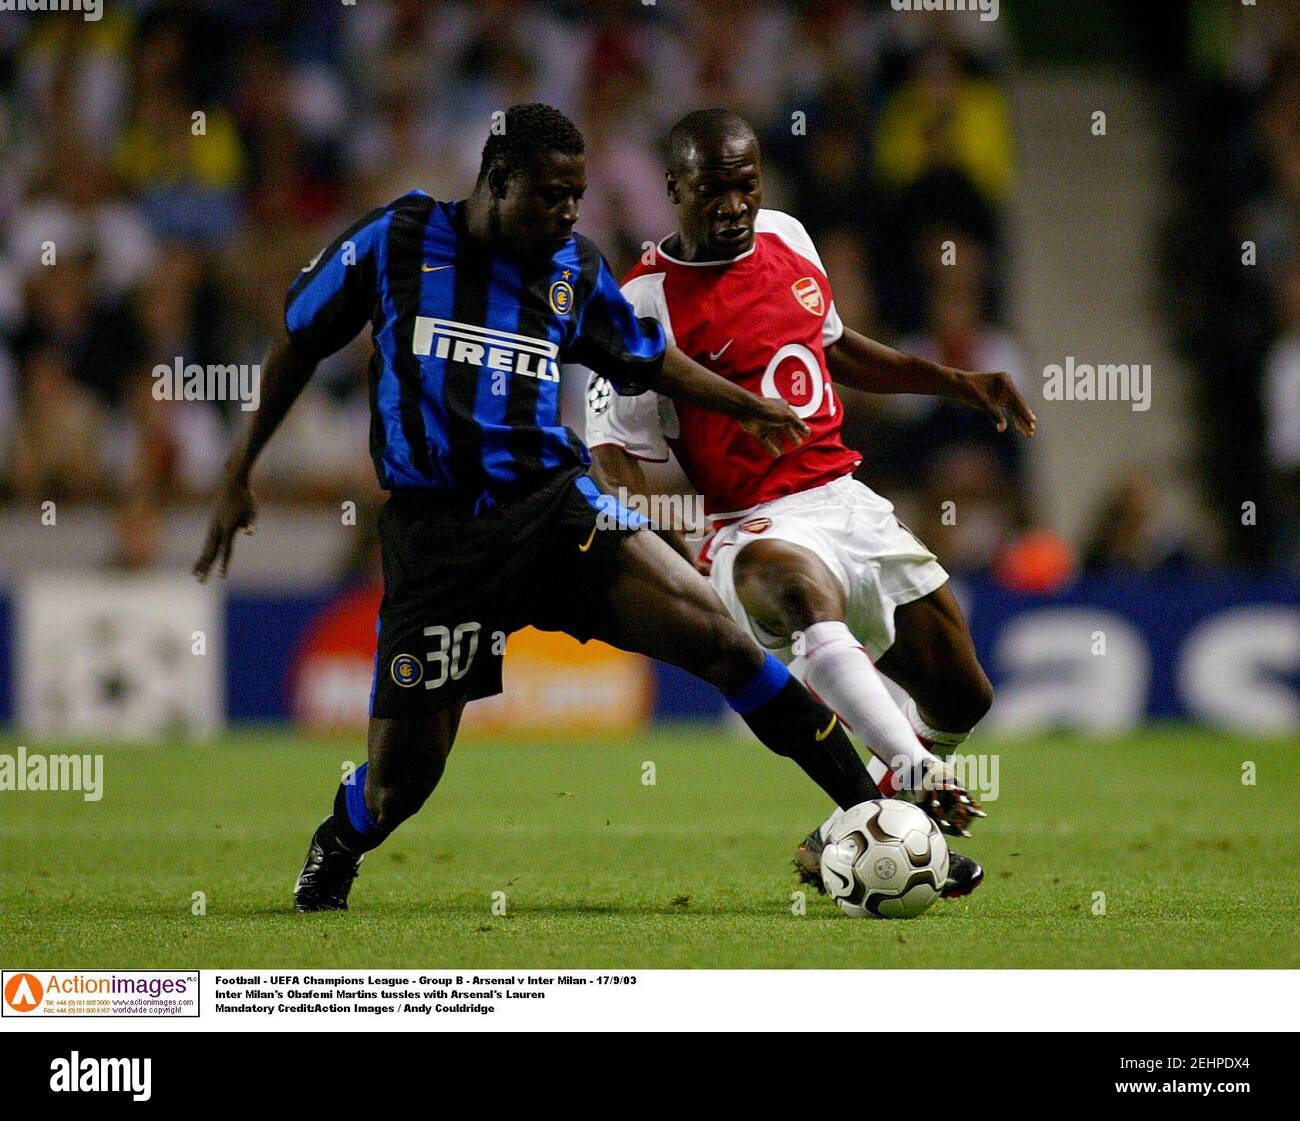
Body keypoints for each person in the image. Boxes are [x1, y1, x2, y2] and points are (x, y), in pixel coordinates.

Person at [194, 103, 945, 913]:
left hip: (556, 511)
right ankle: (341, 838)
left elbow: (652, 362)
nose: (567, 213)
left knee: (722, 639)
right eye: (551, 195)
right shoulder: (397, 240)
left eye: (577, 197)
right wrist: (240, 469)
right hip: (441, 543)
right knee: (397, 789)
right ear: (498, 181)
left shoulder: (573, 272)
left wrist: (745, 405)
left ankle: (875, 817)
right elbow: (299, 338)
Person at [586, 109, 1037, 896]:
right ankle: (912, 770)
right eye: (711, 189)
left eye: (745, 184)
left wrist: (955, 381)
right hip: (745, 526)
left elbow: (835, 346)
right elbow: (613, 454)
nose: (733, 204)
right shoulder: (640, 303)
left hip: (844, 497)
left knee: (965, 690)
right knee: (801, 594)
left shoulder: (789, 235)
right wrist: (665, 538)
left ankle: (856, 822)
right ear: (672, 189)